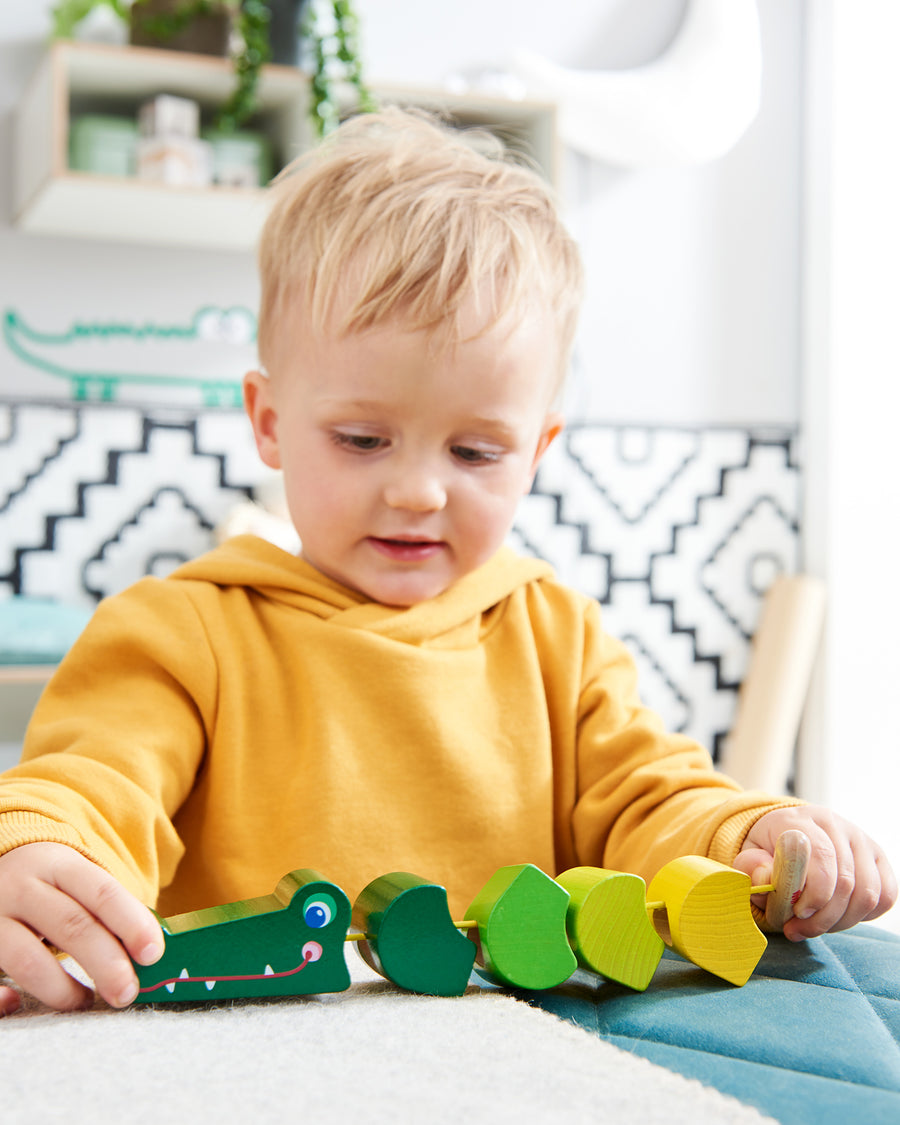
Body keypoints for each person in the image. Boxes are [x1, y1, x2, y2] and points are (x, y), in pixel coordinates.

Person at [0, 108, 894, 1017]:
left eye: (474, 453)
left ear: (537, 448)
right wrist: (32, 848)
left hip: (519, 1061)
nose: (420, 491)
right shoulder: (179, 632)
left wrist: (752, 834)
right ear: (268, 422)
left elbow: (647, 798)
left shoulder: (556, 633)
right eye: (362, 439)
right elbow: (90, 788)